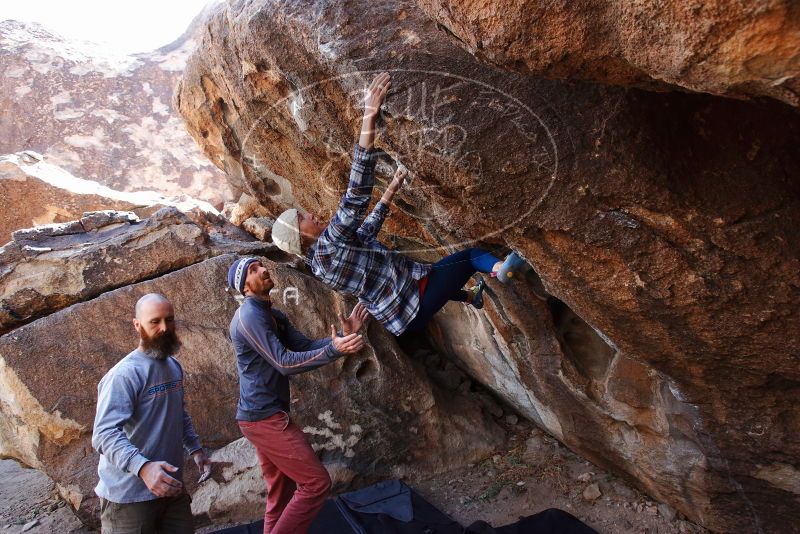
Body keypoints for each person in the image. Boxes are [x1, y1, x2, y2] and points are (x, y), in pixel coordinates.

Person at [270, 71, 528, 336]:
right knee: (469, 257)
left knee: (439, 273)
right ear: (300, 235)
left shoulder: (319, 267)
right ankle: (500, 269)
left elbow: (365, 233)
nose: (310, 215)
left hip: (401, 320)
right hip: (415, 299)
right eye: (302, 218)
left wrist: (390, 191)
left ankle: (471, 296)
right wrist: (369, 114)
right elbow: (355, 195)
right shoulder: (329, 243)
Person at [227, 256, 368, 534]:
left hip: (264, 416)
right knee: (316, 483)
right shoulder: (249, 317)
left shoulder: (272, 314)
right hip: (263, 419)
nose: (264, 269)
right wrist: (335, 350)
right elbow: (284, 362)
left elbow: (305, 346)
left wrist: (340, 335)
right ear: (244, 288)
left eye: (262, 265)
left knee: (281, 491)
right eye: (254, 270)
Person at [92, 293, 211, 534]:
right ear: (137, 325)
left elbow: (178, 413)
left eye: (170, 320)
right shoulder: (125, 374)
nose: (164, 328)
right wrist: (144, 468)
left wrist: (196, 450)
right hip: (128, 497)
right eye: (154, 321)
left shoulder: (172, 366)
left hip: (171, 489)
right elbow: (103, 434)